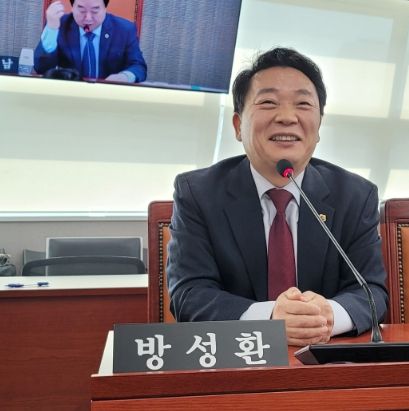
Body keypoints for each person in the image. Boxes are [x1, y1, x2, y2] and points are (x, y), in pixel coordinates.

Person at [167, 47, 388, 346]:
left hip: (328, 360)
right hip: (236, 360)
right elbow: (189, 295)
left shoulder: (355, 196)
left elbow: (371, 291)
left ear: (319, 126)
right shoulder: (198, 193)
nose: (287, 117)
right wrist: (270, 319)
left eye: (303, 104)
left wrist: (327, 316)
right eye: (268, 102)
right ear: (238, 126)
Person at [34, 0, 147, 83]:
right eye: (81, 10)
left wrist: (125, 76)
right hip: (70, 94)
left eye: (95, 10)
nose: (88, 18)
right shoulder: (60, 25)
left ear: (105, 8)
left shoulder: (124, 30)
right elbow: (41, 68)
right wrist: (51, 29)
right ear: (72, 7)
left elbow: (138, 66)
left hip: (109, 95)